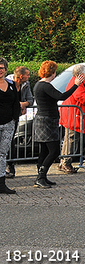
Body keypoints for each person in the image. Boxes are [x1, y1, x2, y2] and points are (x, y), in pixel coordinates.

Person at [32, 60, 84, 188]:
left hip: (43, 119)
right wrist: (76, 84)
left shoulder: (39, 84)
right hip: (47, 121)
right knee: (54, 151)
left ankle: (42, 176)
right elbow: (62, 96)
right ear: (52, 72)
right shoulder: (46, 86)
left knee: (44, 151)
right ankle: (41, 177)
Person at [5, 66, 34, 179]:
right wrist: (18, 104)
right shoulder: (7, 83)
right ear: (21, 76)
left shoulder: (26, 84)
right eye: (27, 74)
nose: (29, 76)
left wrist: (23, 104)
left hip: (15, 117)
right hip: (5, 116)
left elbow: (30, 100)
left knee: (11, 141)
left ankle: (10, 166)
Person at [0, 58, 21, 194]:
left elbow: (16, 102)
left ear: (6, 69)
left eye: (2, 67)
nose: (0, 70)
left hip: (8, 124)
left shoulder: (12, 85)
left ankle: (1, 183)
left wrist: (14, 118)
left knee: (2, 154)